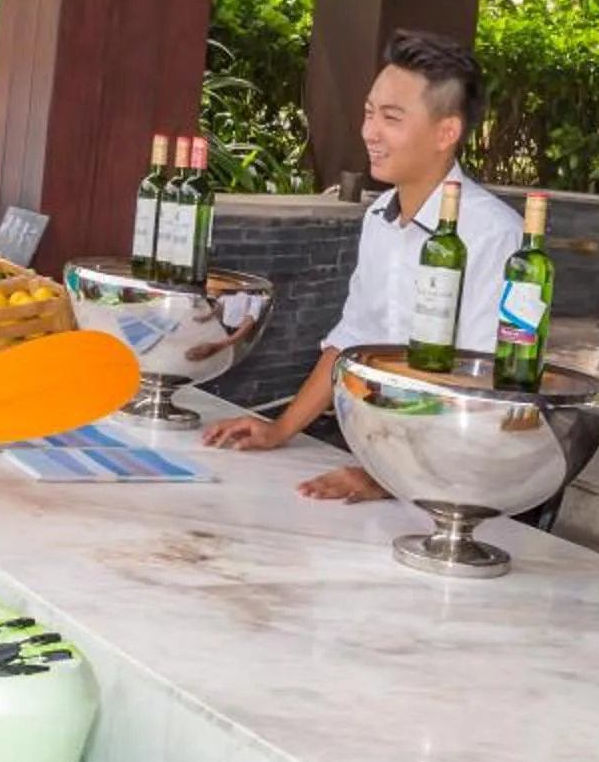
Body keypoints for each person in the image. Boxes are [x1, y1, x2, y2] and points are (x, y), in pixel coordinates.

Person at [204, 29, 524, 501]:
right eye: (370, 113)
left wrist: (388, 481)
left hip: (456, 480)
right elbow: (351, 338)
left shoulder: (494, 234)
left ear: (446, 132)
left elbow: (482, 385)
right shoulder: (379, 217)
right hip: (379, 454)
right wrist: (279, 430)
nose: (369, 132)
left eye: (391, 118)